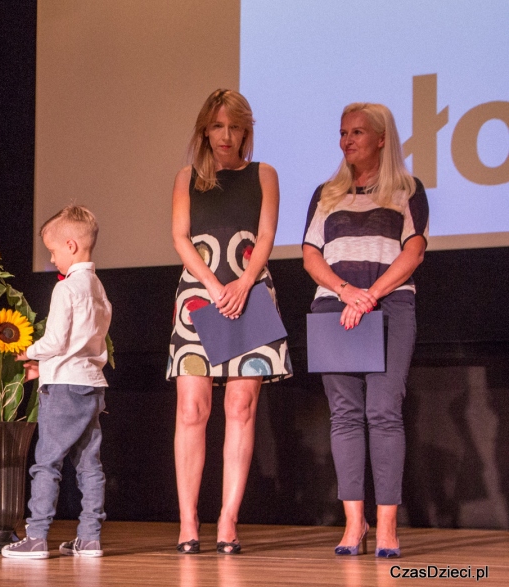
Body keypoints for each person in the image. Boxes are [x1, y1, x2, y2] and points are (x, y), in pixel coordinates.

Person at [168, 89, 291, 555]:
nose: (226, 135)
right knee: (190, 410)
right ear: (205, 129)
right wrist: (214, 287)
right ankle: (188, 522)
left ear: (246, 132)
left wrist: (242, 284)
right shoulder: (186, 178)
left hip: (251, 291)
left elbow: (266, 234)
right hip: (199, 297)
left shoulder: (264, 174)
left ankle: (227, 520)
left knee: (241, 408)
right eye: (218, 126)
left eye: (235, 127)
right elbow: (180, 238)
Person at [303, 103, 428, 558]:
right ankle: (355, 524)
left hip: (391, 305)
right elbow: (311, 255)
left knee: (383, 412)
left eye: (357, 132)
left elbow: (412, 252)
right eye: (342, 132)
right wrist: (345, 291)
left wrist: (369, 294)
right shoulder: (327, 193)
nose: (347, 140)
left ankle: (389, 527)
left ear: (381, 138)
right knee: (345, 416)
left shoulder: (407, 190)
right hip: (334, 308)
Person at [1, 205, 112, 559]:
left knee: (47, 462)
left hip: (64, 388)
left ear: (71, 246)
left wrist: (26, 352)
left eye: (53, 252)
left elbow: (56, 343)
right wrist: (45, 366)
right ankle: (90, 536)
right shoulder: (98, 287)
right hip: (92, 385)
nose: (52, 260)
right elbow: (86, 343)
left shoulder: (67, 289)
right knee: (89, 464)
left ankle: (36, 537)